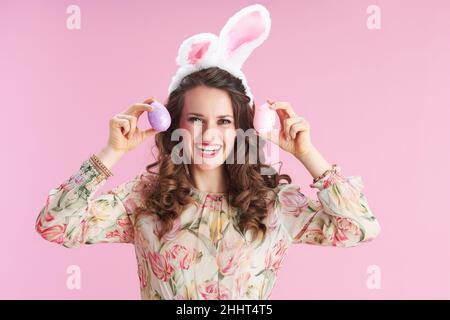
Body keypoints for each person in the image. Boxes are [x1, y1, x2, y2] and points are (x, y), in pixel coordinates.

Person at [35, 5, 381, 300]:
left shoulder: (273, 202)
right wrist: (111, 151)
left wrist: (307, 153)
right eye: (196, 119)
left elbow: (360, 227)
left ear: (242, 129)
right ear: (175, 126)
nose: (209, 135)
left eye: (224, 121)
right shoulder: (144, 198)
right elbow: (54, 225)